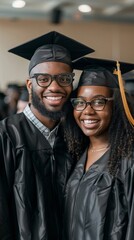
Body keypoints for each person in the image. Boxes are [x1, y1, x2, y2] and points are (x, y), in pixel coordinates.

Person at [0, 31, 94, 240]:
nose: (54, 86)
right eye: (43, 79)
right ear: (29, 84)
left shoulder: (77, 137)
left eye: (64, 79)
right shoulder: (5, 135)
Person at [62, 57, 134, 240]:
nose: (87, 111)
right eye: (80, 102)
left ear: (115, 105)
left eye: (98, 101)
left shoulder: (128, 160)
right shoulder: (75, 155)